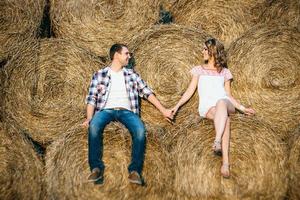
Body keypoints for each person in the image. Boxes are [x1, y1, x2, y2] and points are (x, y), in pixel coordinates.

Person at [82, 43, 173, 185]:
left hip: (127, 111)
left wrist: (164, 110)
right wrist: (89, 118)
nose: (129, 56)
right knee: (94, 126)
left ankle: (135, 171)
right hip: (105, 110)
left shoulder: (131, 74)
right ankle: (95, 168)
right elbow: (92, 98)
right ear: (116, 55)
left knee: (140, 130)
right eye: (126, 53)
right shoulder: (99, 75)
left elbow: (147, 93)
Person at [171, 38, 255, 178]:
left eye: (205, 49)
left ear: (213, 51)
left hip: (226, 104)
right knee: (225, 120)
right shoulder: (198, 70)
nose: (202, 51)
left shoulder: (225, 72)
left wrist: (243, 108)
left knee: (222, 101)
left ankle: (217, 141)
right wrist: (176, 106)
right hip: (207, 107)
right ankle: (225, 163)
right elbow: (189, 91)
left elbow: (228, 94)